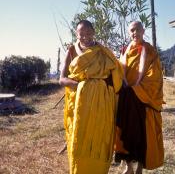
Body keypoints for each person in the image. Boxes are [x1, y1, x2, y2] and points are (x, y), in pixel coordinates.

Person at [59, 20, 123, 174]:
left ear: (94, 32)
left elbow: (116, 78)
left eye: (88, 33)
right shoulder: (72, 51)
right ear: (77, 34)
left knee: (100, 141)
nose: (85, 37)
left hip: (102, 105)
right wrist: (82, 87)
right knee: (79, 140)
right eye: (82, 34)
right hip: (79, 105)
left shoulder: (103, 52)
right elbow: (62, 79)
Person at [114, 21, 164, 174]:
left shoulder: (150, 51)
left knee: (142, 134)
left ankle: (140, 167)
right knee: (125, 131)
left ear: (143, 30)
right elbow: (118, 72)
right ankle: (128, 166)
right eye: (131, 30)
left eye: (137, 29)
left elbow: (154, 77)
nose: (134, 33)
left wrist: (137, 89)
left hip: (142, 98)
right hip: (126, 97)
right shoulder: (125, 50)